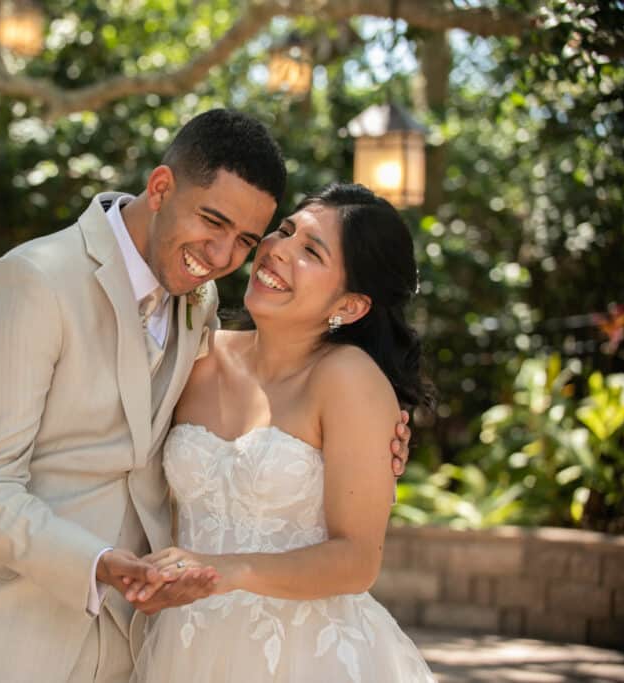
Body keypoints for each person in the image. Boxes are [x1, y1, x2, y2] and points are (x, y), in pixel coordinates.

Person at [0, 111, 411, 683]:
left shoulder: (196, 306)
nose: (229, 256)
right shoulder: (34, 280)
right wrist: (100, 564)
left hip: (141, 642)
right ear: (160, 188)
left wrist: (369, 450)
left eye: (249, 238)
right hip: (6, 630)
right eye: (214, 221)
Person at [127, 183, 435, 681]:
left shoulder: (347, 377)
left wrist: (227, 570)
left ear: (352, 306)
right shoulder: (199, 354)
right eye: (285, 230)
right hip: (185, 644)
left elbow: (357, 560)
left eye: (310, 251)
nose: (277, 249)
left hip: (306, 653)